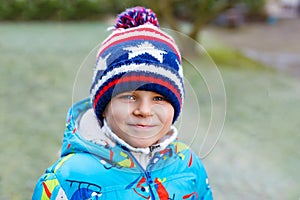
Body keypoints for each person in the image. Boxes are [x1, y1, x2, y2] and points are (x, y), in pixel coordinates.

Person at [32, 6, 213, 200]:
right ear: (103, 106)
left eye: (159, 98)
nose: (144, 110)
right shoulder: (65, 180)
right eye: (129, 96)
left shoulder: (190, 165)